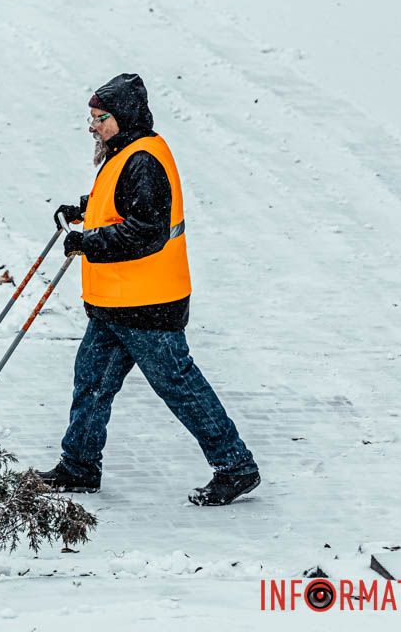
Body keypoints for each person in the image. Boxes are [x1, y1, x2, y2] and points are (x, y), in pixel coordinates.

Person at [39, 73, 260, 506]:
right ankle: (79, 466)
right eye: (90, 118)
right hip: (115, 303)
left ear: (123, 117)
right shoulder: (125, 152)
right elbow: (121, 204)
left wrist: (89, 244)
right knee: (91, 381)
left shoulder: (144, 159)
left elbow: (147, 229)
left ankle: (236, 467)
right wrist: (84, 210)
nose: (93, 126)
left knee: (180, 387)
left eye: (100, 118)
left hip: (149, 305)